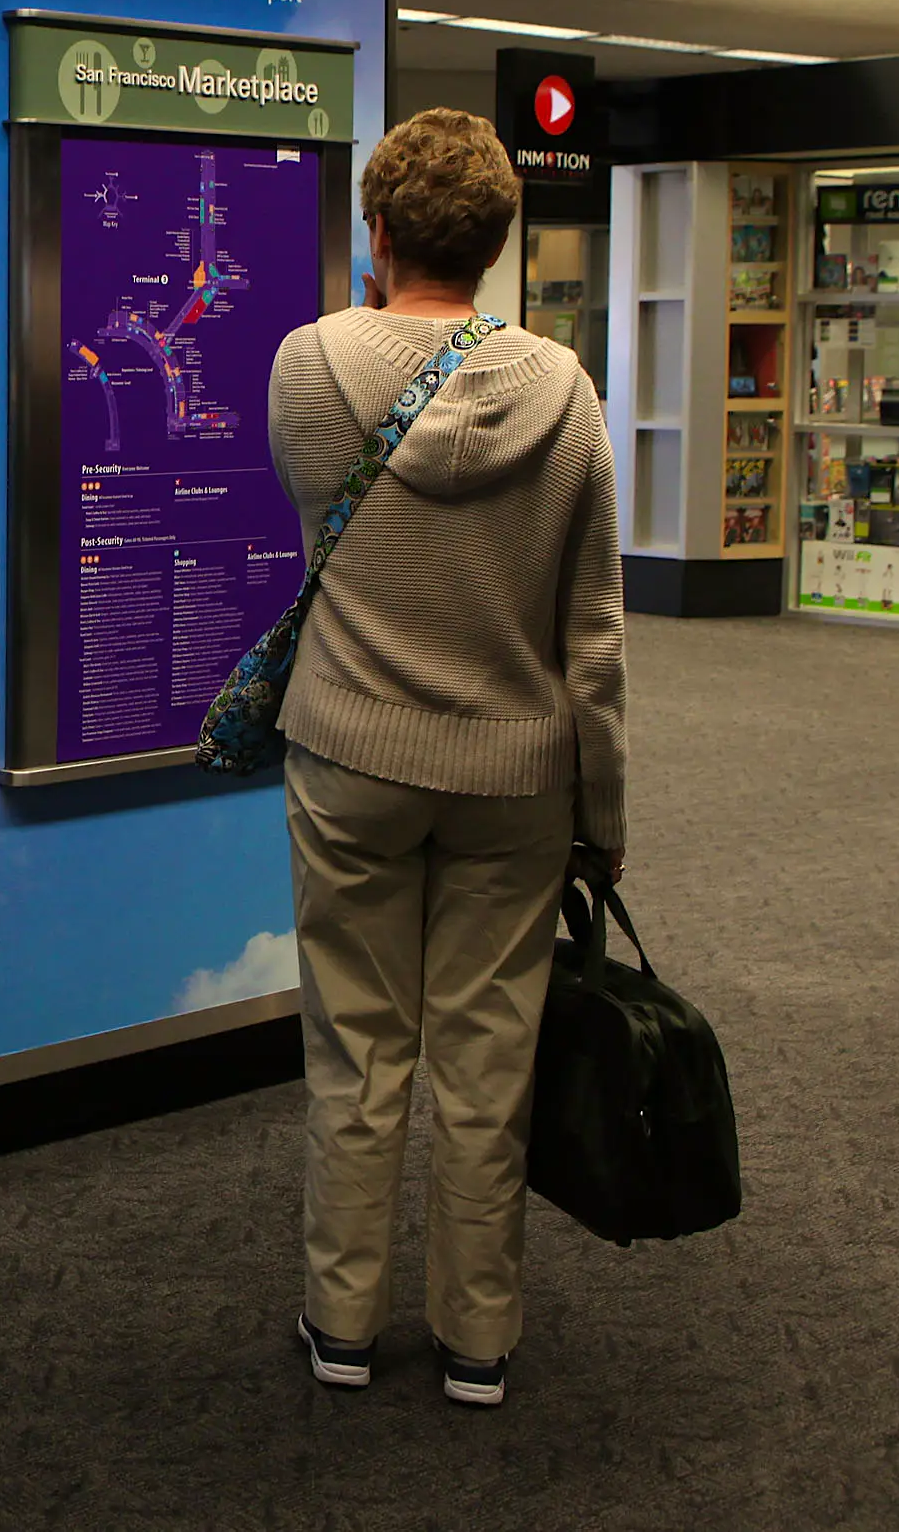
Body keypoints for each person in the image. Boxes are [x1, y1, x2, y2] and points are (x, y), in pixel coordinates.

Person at [270, 107, 625, 1409]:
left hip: (352, 754)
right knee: (491, 1056)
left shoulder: (309, 365)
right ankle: (479, 1340)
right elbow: (594, 635)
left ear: (376, 233)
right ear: (495, 241)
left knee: (357, 1052)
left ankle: (342, 1323)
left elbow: (317, 521)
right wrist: (610, 804)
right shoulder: (568, 392)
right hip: (520, 776)